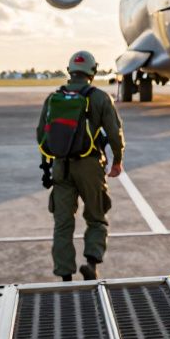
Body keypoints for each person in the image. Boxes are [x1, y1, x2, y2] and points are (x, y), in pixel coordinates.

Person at [38, 50, 124, 281]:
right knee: (96, 217)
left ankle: (65, 274)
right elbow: (115, 134)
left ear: (70, 71)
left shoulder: (53, 98)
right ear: (92, 72)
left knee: (62, 223)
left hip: (60, 167)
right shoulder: (99, 98)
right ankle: (92, 263)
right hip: (89, 166)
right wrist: (117, 161)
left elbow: (40, 135)